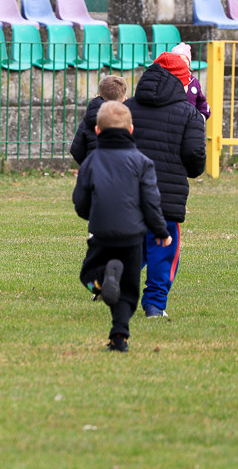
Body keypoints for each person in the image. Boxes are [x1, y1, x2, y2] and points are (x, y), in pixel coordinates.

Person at [73, 101, 170, 352]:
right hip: (133, 236)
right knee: (127, 290)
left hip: (102, 233)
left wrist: (92, 216)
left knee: (87, 274)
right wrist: (160, 231)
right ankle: (119, 338)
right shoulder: (142, 162)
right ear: (131, 129)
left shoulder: (91, 161)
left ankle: (102, 280)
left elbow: (80, 201)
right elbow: (151, 202)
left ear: (97, 131)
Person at [124, 51, 206, 318]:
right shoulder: (189, 113)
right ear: (180, 81)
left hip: (129, 194)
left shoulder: (128, 108)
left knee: (131, 246)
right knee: (164, 250)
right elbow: (194, 155)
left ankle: (114, 281)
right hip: (166, 197)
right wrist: (193, 170)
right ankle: (155, 305)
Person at [69, 74, 128, 165]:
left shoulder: (88, 118)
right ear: (124, 100)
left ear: (98, 96)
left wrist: (88, 164)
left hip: (93, 168)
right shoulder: (127, 119)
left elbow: (76, 150)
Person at [167, 43, 209, 120]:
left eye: (184, 61)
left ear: (189, 64)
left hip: (190, 123)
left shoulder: (194, 82)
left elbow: (202, 102)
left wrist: (202, 117)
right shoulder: (167, 80)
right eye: (177, 61)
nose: (180, 65)